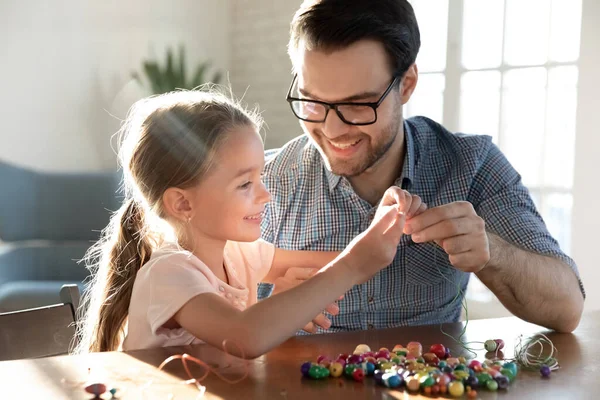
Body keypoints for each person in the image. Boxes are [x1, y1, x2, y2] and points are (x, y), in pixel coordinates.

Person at [260, 0, 584, 334]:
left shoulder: (470, 165)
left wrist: (492, 252)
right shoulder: (264, 182)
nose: (332, 130)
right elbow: (211, 331)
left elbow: (567, 309)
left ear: (408, 84)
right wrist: (268, 313)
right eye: (312, 102)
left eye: (357, 105)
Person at [75, 90, 424, 358]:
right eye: (245, 184)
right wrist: (352, 266)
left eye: (260, 177)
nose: (265, 195)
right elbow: (245, 336)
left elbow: (327, 263)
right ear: (183, 203)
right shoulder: (169, 274)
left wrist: (389, 225)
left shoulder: (240, 254)